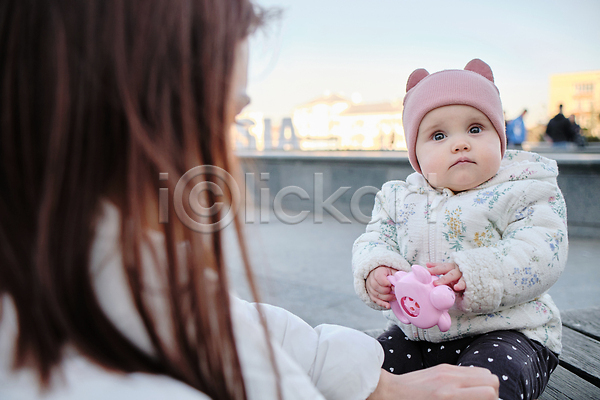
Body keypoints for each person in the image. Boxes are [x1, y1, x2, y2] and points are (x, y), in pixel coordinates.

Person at [0, 1, 500, 399]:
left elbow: (206, 317)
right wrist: (379, 272)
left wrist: (378, 387)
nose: (228, 159)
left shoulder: (77, 267)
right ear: (122, 114)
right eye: (225, 117)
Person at [352, 59, 567, 400]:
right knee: (365, 372)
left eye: (476, 129)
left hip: (509, 332)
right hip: (418, 336)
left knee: (489, 381)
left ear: (500, 137)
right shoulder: (398, 197)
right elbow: (374, 238)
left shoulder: (525, 188)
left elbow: (541, 251)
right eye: (438, 135)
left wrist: (477, 273)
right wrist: (377, 267)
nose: (460, 143)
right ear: (415, 154)